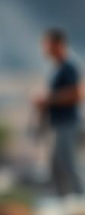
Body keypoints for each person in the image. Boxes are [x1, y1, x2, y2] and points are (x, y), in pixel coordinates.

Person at [34, 28, 83, 196]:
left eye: (48, 45)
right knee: (55, 169)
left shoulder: (68, 68)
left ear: (58, 45)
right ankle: (65, 206)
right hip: (55, 125)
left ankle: (79, 204)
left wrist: (48, 99)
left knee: (68, 166)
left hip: (67, 123)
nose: (45, 49)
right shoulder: (55, 69)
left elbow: (76, 94)